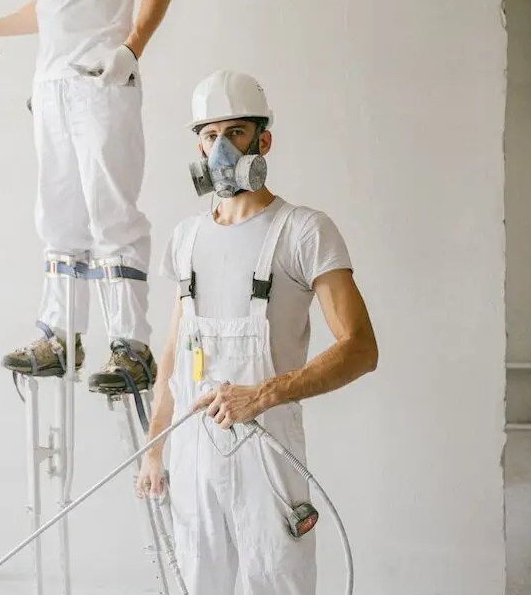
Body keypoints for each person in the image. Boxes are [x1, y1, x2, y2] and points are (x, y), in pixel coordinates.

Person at [134, 70, 379, 594]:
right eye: (208, 135)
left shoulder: (304, 231)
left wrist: (263, 394)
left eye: (235, 133)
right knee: (200, 582)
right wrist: (155, 448)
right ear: (197, 145)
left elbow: (360, 348)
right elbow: (174, 355)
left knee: (277, 582)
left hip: (267, 450)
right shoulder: (186, 239)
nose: (220, 148)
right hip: (192, 448)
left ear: (262, 140)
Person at [0, 0, 174, 393]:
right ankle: (59, 337)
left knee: (111, 211)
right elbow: (53, 8)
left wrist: (132, 47)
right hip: (50, 84)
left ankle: (131, 346)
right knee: (58, 218)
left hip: (100, 77)